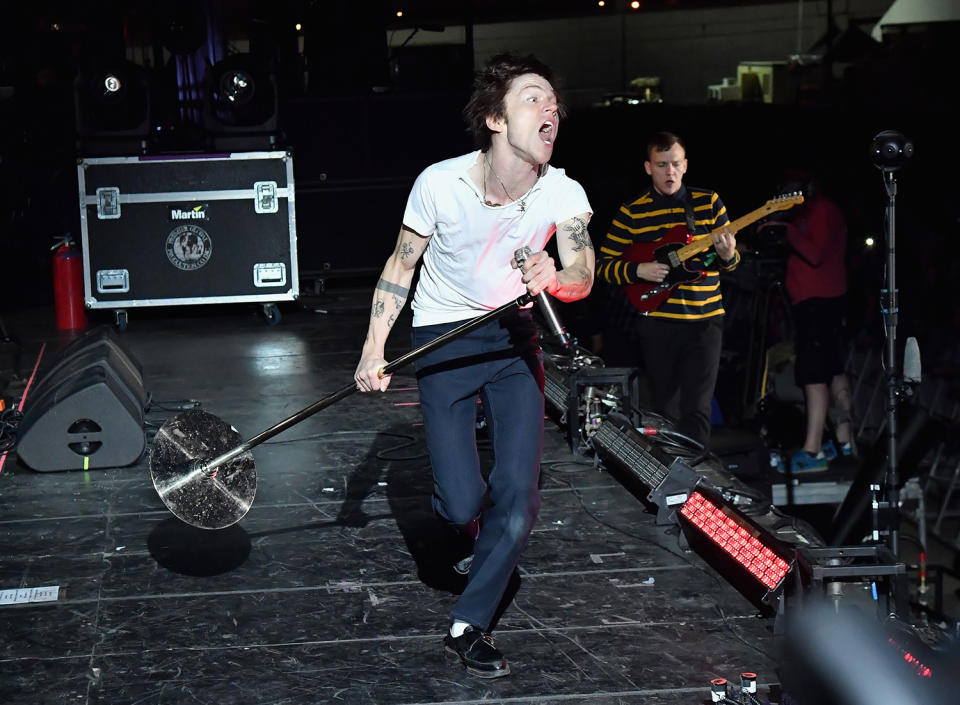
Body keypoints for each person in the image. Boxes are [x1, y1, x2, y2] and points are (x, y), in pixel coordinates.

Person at [353, 53, 595, 678]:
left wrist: (557, 277)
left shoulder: (563, 191)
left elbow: (582, 271)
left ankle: (470, 622)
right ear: (494, 117)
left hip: (513, 339)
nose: (551, 111)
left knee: (518, 498)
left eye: (553, 102)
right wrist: (374, 347)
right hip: (442, 338)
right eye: (533, 99)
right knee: (462, 505)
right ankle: (466, 527)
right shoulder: (440, 182)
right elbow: (401, 265)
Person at [596, 131, 738, 447]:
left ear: (685, 165)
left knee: (698, 408)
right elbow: (603, 266)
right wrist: (638, 270)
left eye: (675, 164)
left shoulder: (708, 203)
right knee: (664, 408)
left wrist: (728, 255)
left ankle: (697, 479)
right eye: (661, 165)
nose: (669, 172)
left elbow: (730, 261)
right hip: (658, 321)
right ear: (648, 167)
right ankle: (671, 476)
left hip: (706, 320)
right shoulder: (632, 211)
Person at [762, 171, 854, 472]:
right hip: (820, 302)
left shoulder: (821, 209)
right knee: (833, 370)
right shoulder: (814, 213)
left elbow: (815, 253)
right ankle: (845, 441)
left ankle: (812, 450)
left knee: (813, 374)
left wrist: (785, 230)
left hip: (819, 301)